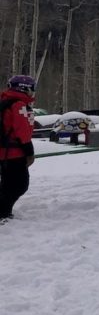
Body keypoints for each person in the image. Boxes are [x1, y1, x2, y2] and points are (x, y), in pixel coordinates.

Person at [0, 75, 37, 220]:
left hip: (4, 152)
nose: (32, 92)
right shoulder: (19, 105)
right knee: (19, 185)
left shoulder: (4, 101)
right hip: (14, 153)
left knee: (7, 184)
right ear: (24, 88)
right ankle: (3, 213)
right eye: (31, 89)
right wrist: (29, 152)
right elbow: (23, 131)